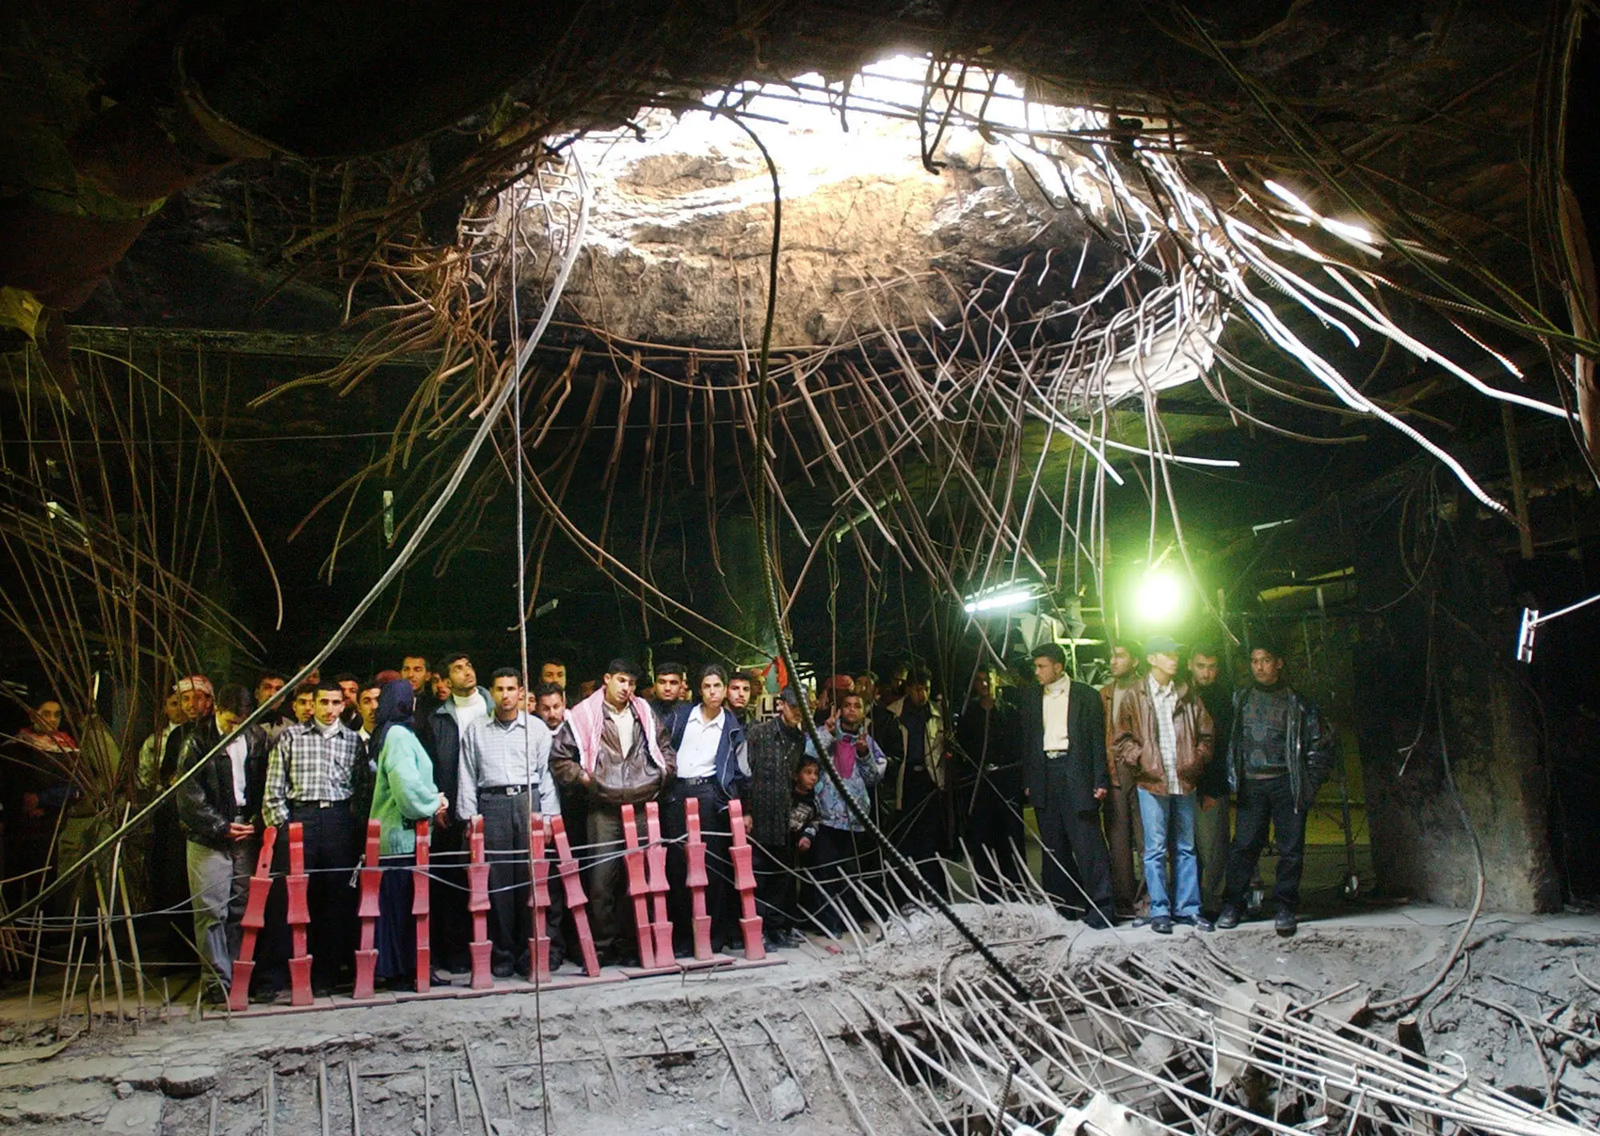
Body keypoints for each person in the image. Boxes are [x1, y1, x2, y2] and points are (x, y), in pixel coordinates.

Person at [549, 659, 675, 965]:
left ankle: (632, 946)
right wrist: (585, 779)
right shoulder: (583, 715)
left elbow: (665, 749)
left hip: (642, 805)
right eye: (621, 681)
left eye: (631, 683)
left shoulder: (643, 711)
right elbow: (560, 758)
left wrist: (660, 778)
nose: (626, 688)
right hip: (602, 809)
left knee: (640, 878)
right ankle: (602, 946)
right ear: (607, 679)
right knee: (601, 882)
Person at [1216, 638, 1337, 937]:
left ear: (1279, 663)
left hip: (1286, 783)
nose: (1259, 666)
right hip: (1252, 786)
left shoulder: (1298, 703)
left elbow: (1320, 746)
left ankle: (1285, 906)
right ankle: (1233, 904)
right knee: (1244, 847)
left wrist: (1309, 783)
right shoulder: (1239, 699)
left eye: (1266, 660)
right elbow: (1226, 741)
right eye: (1255, 661)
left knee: (1291, 849)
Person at [457, 669, 565, 977]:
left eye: (511, 689)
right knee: (498, 884)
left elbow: (545, 776)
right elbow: (466, 776)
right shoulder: (476, 730)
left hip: (527, 801)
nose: (506, 695)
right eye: (499, 688)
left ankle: (529, 952)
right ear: (490, 692)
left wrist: (547, 819)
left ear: (521, 692)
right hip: (492, 804)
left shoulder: (536, 729)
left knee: (531, 881)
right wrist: (470, 818)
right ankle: (503, 954)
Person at [261, 680, 366, 993]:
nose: (330, 709)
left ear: (343, 705)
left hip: (338, 820)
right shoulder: (291, 737)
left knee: (334, 899)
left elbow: (360, 790)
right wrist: (282, 826)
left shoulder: (352, 741)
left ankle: (325, 976)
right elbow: (273, 788)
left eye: (336, 703)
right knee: (285, 899)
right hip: (301, 818)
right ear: (313, 704)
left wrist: (352, 825)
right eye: (324, 702)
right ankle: (273, 977)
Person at [1112, 635, 1215, 934]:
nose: (1174, 659)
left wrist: (1195, 762)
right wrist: (1143, 760)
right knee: (1155, 850)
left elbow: (1207, 734)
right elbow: (1120, 740)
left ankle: (1188, 909)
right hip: (1151, 783)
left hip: (1183, 781)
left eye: (1175, 653)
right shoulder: (1135, 695)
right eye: (1168, 654)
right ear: (1152, 659)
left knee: (1186, 847)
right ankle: (1159, 910)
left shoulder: (1187, 694)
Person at [175, 683, 269, 997]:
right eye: (230, 722)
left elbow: (266, 784)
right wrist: (219, 826)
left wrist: (256, 820)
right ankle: (216, 981)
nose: (236, 728)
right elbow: (189, 797)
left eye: (242, 723)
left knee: (242, 906)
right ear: (217, 712)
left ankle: (239, 975)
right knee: (210, 908)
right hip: (210, 835)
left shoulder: (256, 737)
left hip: (246, 828)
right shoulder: (197, 742)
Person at [1019, 644, 1113, 927]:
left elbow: (1098, 739)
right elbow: (1028, 742)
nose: (1036, 672)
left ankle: (1101, 908)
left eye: (1041, 666)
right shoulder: (1032, 697)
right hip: (1045, 773)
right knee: (1053, 846)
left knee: (1087, 844)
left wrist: (1099, 779)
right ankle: (1061, 906)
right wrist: (1029, 781)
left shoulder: (1085, 695)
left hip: (1076, 771)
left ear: (1058, 667)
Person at [663, 664, 749, 955]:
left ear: (725, 690)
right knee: (678, 867)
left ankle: (713, 936)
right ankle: (684, 938)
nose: (713, 692)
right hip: (678, 792)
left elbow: (742, 771)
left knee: (711, 865)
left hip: (710, 794)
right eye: (707, 686)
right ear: (700, 690)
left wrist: (739, 804)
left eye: (717, 686)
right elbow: (663, 746)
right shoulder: (682, 716)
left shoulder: (733, 726)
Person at [366, 679, 447, 987]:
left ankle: (406, 967)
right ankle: (403, 970)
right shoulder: (399, 735)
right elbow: (406, 787)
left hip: (397, 838)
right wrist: (434, 802)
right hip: (400, 838)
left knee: (400, 906)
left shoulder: (392, 733)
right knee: (403, 906)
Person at [424, 652, 492, 973]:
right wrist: (438, 799)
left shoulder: (494, 705)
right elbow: (431, 765)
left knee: (495, 878)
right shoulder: (436, 717)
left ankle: (495, 950)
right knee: (451, 880)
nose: (467, 671)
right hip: (449, 810)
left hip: (491, 804)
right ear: (445, 681)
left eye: (469, 664)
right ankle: (455, 952)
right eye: (458, 668)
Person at [805, 692, 888, 935]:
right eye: (847, 705)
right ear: (839, 710)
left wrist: (863, 754)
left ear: (863, 711)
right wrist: (827, 733)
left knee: (850, 874)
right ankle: (826, 924)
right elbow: (807, 758)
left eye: (857, 706)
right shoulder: (825, 733)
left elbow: (874, 778)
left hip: (854, 821)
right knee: (825, 873)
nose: (851, 710)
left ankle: (848, 919)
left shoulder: (867, 741)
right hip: (826, 817)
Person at [744, 686, 808, 948]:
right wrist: (747, 810)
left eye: (803, 709)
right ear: (781, 705)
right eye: (794, 708)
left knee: (781, 875)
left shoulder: (800, 738)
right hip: (759, 812)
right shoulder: (759, 732)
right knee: (758, 874)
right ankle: (758, 930)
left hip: (783, 814)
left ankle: (776, 927)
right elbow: (746, 772)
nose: (798, 714)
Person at [955, 667, 1023, 886]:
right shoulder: (969, 715)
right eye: (979, 681)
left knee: (1010, 838)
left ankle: (1016, 887)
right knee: (982, 838)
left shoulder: (1010, 712)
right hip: (980, 786)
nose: (984, 684)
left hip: (1006, 785)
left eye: (987, 680)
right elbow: (963, 750)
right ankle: (988, 888)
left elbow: (1018, 749)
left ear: (996, 681)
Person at [885, 671, 948, 903]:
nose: (921, 693)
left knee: (930, 840)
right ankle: (906, 895)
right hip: (904, 779)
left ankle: (934, 893)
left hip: (929, 779)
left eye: (926, 688)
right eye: (917, 688)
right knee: (905, 839)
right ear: (909, 688)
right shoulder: (894, 712)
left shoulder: (938, 713)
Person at [1098, 640, 1146, 919]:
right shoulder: (1105, 694)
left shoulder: (1146, 691)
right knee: (1118, 842)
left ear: (1135, 661)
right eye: (1111, 657)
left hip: (1143, 773)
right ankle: (1125, 902)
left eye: (1120, 655)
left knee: (1146, 841)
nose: (1113, 661)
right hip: (1115, 771)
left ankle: (1150, 899)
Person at [1188, 644, 1233, 918]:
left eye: (1212, 667)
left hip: (1210, 784)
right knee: (1188, 847)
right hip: (1183, 784)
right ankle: (1192, 900)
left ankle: (1213, 901)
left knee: (1212, 848)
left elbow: (1223, 747)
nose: (1207, 673)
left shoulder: (1222, 699)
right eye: (1202, 666)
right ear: (1191, 664)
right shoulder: (1181, 694)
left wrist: (1214, 789)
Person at [137, 690, 186, 794]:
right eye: (174, 704)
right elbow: (144, 774)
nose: (179, 709)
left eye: (182, 703)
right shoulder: (154, 741)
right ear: (165, 709)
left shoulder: (198, 736)